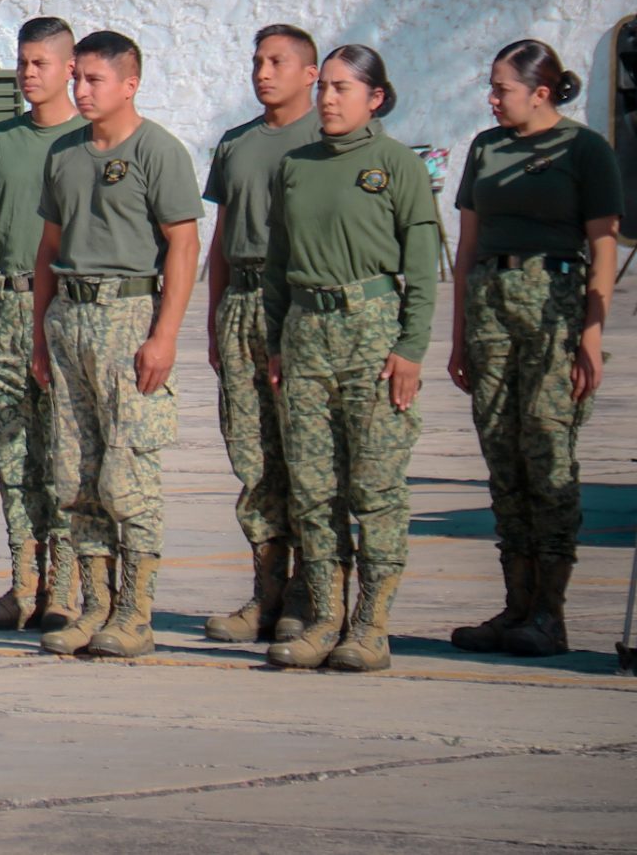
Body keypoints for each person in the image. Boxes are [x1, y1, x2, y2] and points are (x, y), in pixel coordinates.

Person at [260, 44, 439, 672]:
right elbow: (278, 267)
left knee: (375, 485)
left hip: (373, 333)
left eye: (343, 88)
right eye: (326, 87)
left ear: (375, 98)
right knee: (312, 486)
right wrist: (277, 339)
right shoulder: (295, 166)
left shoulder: (396, 166)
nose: (329, 99)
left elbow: (421, 269)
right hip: (307, 333)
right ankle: (324, 618)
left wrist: (411, 348)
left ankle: (371, 624)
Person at [447, 38, 620, 657]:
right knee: (503, 458)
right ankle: (515, 606)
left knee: (547, 457)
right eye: (491, 88)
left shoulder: (584, 150)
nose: (492, 100)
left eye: (502, 89)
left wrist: (590, 339)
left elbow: (603, 244)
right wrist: (460, 331)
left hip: (555, 304)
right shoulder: (486, 148)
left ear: (540, 92)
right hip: (491, 302)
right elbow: (466, 245)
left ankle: (549, 613)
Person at [31, 30, 199, 659]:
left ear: (130, 84)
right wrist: (41, 337)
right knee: (76, 475)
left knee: (129, 475)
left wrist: (164, 334)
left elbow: (183, 244)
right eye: (78, 78)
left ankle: (135, 610)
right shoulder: (65, 154)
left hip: (128, 316)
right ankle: (94, 606)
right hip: (69, 318)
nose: (81, 90)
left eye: (94, 80)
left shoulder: (159, 151)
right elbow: (49, 249)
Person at [198, 24, 323, 645]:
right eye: (257, 61)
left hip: (296, 303)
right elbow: (222, 236)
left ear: (311, 73)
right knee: (252, 456)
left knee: (306, 456)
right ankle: (267, 593)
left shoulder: (325, 140)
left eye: (278, 61)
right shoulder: (237, 144)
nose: (264, 72)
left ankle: (309, 594)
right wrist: (215, 310)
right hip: (242, 304)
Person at [0, 15, 82, 633]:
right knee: (14, 456)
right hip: (7, 307)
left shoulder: (89, 140)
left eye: (41, 63)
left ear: (68, 68)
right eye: (23, 61)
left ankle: (63, 587)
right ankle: (24, 583)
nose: (29, 74)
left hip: (65, 309)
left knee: (63, 455)